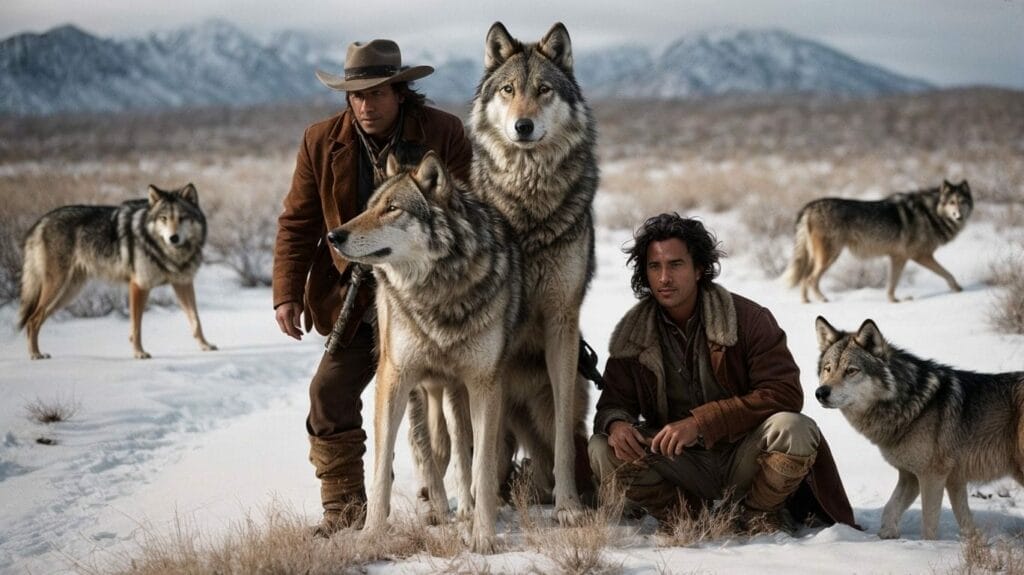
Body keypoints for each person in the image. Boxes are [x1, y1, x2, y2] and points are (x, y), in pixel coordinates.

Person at [272, 38, 472, 537]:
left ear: (400, 92)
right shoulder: (321, 141)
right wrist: (287, 292)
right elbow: (298, 222)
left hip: (435, 299)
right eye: (356, 95)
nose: (365, 105)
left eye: (377, 93)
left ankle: (484, 489)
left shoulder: (442, 132)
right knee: (328, 393)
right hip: (356, 298)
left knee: (471, 390)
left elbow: (470, 213)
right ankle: (345, 510)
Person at [588, 213, 856, 533]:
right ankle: (682, 516)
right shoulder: (634, 333)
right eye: (654, 267)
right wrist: (617, 424)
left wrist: (701, 423)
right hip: (678, 463)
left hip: (746, 457)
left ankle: (758, 513)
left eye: (675, 265)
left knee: (796, 429)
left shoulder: (748, 318)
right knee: (601, 448)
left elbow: (784, 393)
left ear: (699, 268)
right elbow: (613, 403)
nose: (664, 278)